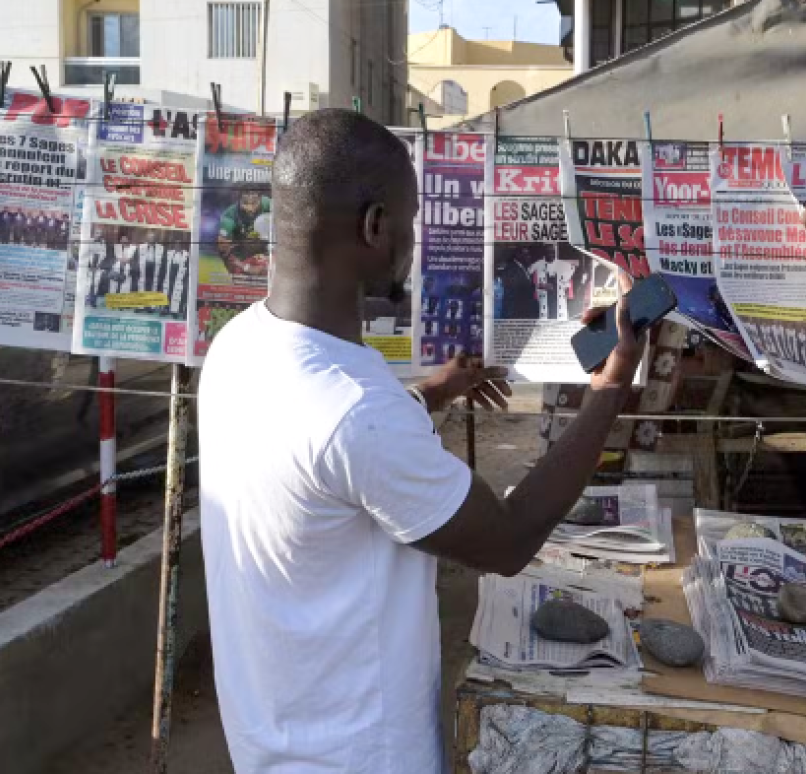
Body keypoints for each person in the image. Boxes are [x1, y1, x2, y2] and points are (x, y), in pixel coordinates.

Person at [198, 110, 643, 773]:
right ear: (375, 227)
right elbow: (509, 538)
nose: (415, 238)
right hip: (362, 757)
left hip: (270, 743)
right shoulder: (354, 410)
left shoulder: (240, 345)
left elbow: (317, 459)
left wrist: (432, 394)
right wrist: (612, 383)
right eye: (409, 220)